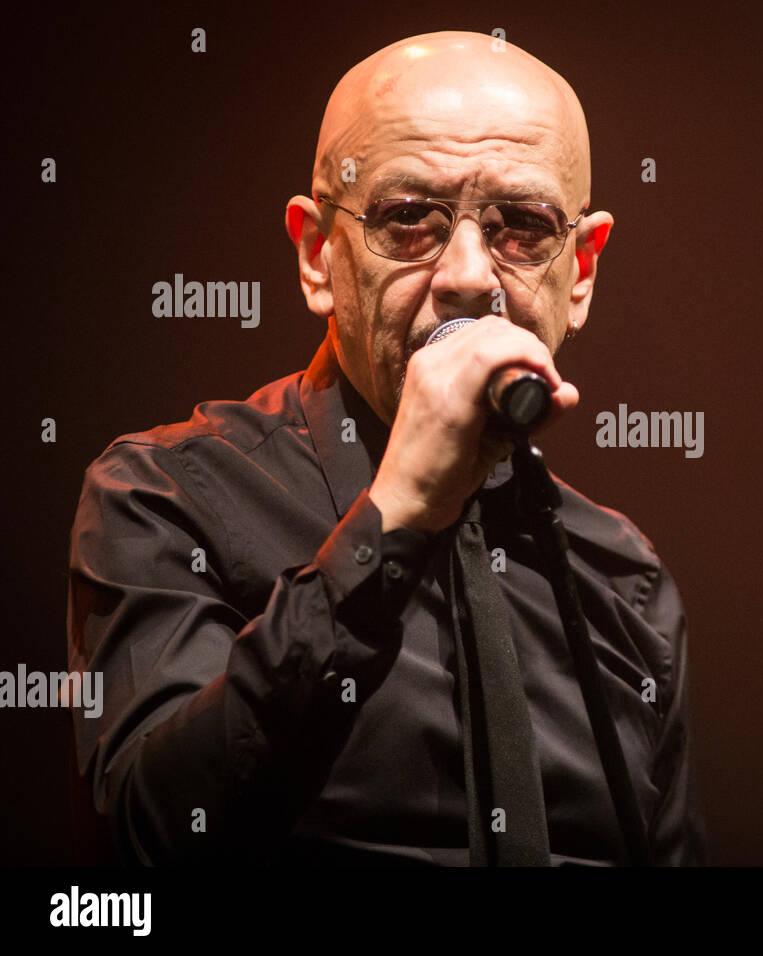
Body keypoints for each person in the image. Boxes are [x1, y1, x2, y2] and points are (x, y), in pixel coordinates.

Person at [66, 31, 707, 866]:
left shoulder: (626, 578)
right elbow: (149, 838)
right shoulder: (165, 496)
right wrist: (397, 512)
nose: (471, 275)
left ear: (579, 271)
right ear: (315, 255)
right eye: (410, 219)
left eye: (521, 226)